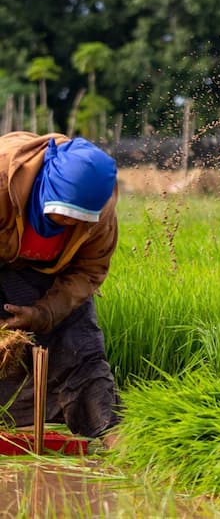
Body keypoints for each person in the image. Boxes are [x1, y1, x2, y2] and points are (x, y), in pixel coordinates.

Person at [0, 131, 121, 442]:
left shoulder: (101, 214)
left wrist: (43, 314)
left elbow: (88, 272)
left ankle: (112, 435)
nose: (67, 223)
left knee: (81, 349)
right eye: (61, 213)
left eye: (78, 218)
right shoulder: (3, 181)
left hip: (51, 275)